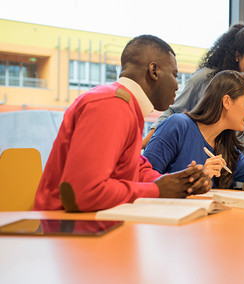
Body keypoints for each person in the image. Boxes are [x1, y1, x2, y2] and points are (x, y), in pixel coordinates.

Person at [33, 35, 211, 212]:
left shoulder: (126, 105)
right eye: (174, 75)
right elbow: (85, 192)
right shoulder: (112, 105)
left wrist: (179, 183)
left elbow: (136, 169)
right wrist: (157, 190)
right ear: (154, 71)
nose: (177, 86)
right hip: (65, 229)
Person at [142, 24, 244, 163]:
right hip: (198, 166)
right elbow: (172, 114)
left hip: (236, 173)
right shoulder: (204, 79)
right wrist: (142, 145)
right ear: (237, 55)